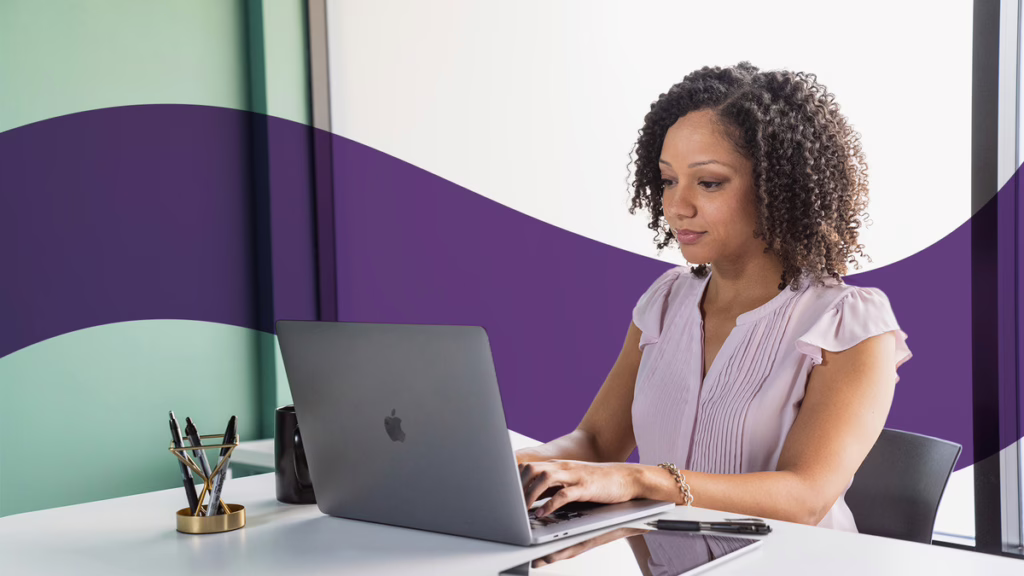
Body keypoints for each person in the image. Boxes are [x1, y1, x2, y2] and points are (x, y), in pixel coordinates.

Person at [515, 61, 912, 532]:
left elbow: (805, 496)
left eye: (709, 182)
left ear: (776, 187)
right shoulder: (663, 303)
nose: (678, 206)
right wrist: (505, 469)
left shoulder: (848, 323)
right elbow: (598, 443)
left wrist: (644, 480)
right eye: (667, 180)